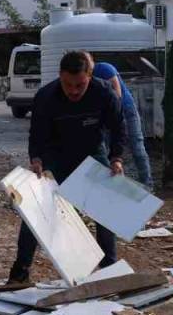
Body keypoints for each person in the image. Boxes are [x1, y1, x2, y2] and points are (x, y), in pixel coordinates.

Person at [9, 51, 125, 283]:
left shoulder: (104, 93)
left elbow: (118, 129)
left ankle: (109, 270)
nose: (73, 90)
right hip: (56, 156)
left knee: (105, 209)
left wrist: (116, 158)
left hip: (92, 153)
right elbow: (37, 133)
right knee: (34, 211)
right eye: (68, 84)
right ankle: (19, 273)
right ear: (60, 75)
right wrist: (36, 159)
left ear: (90, 76)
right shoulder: (46, 96)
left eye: (80, 85)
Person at [91, 62, 153, 189]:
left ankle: (147, 185)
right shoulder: (84, 79)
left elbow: (117, 95)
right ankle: (118, 187)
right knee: (109, 151)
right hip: (105, 114)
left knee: (137, 146)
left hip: (126, 110)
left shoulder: (104, 68)